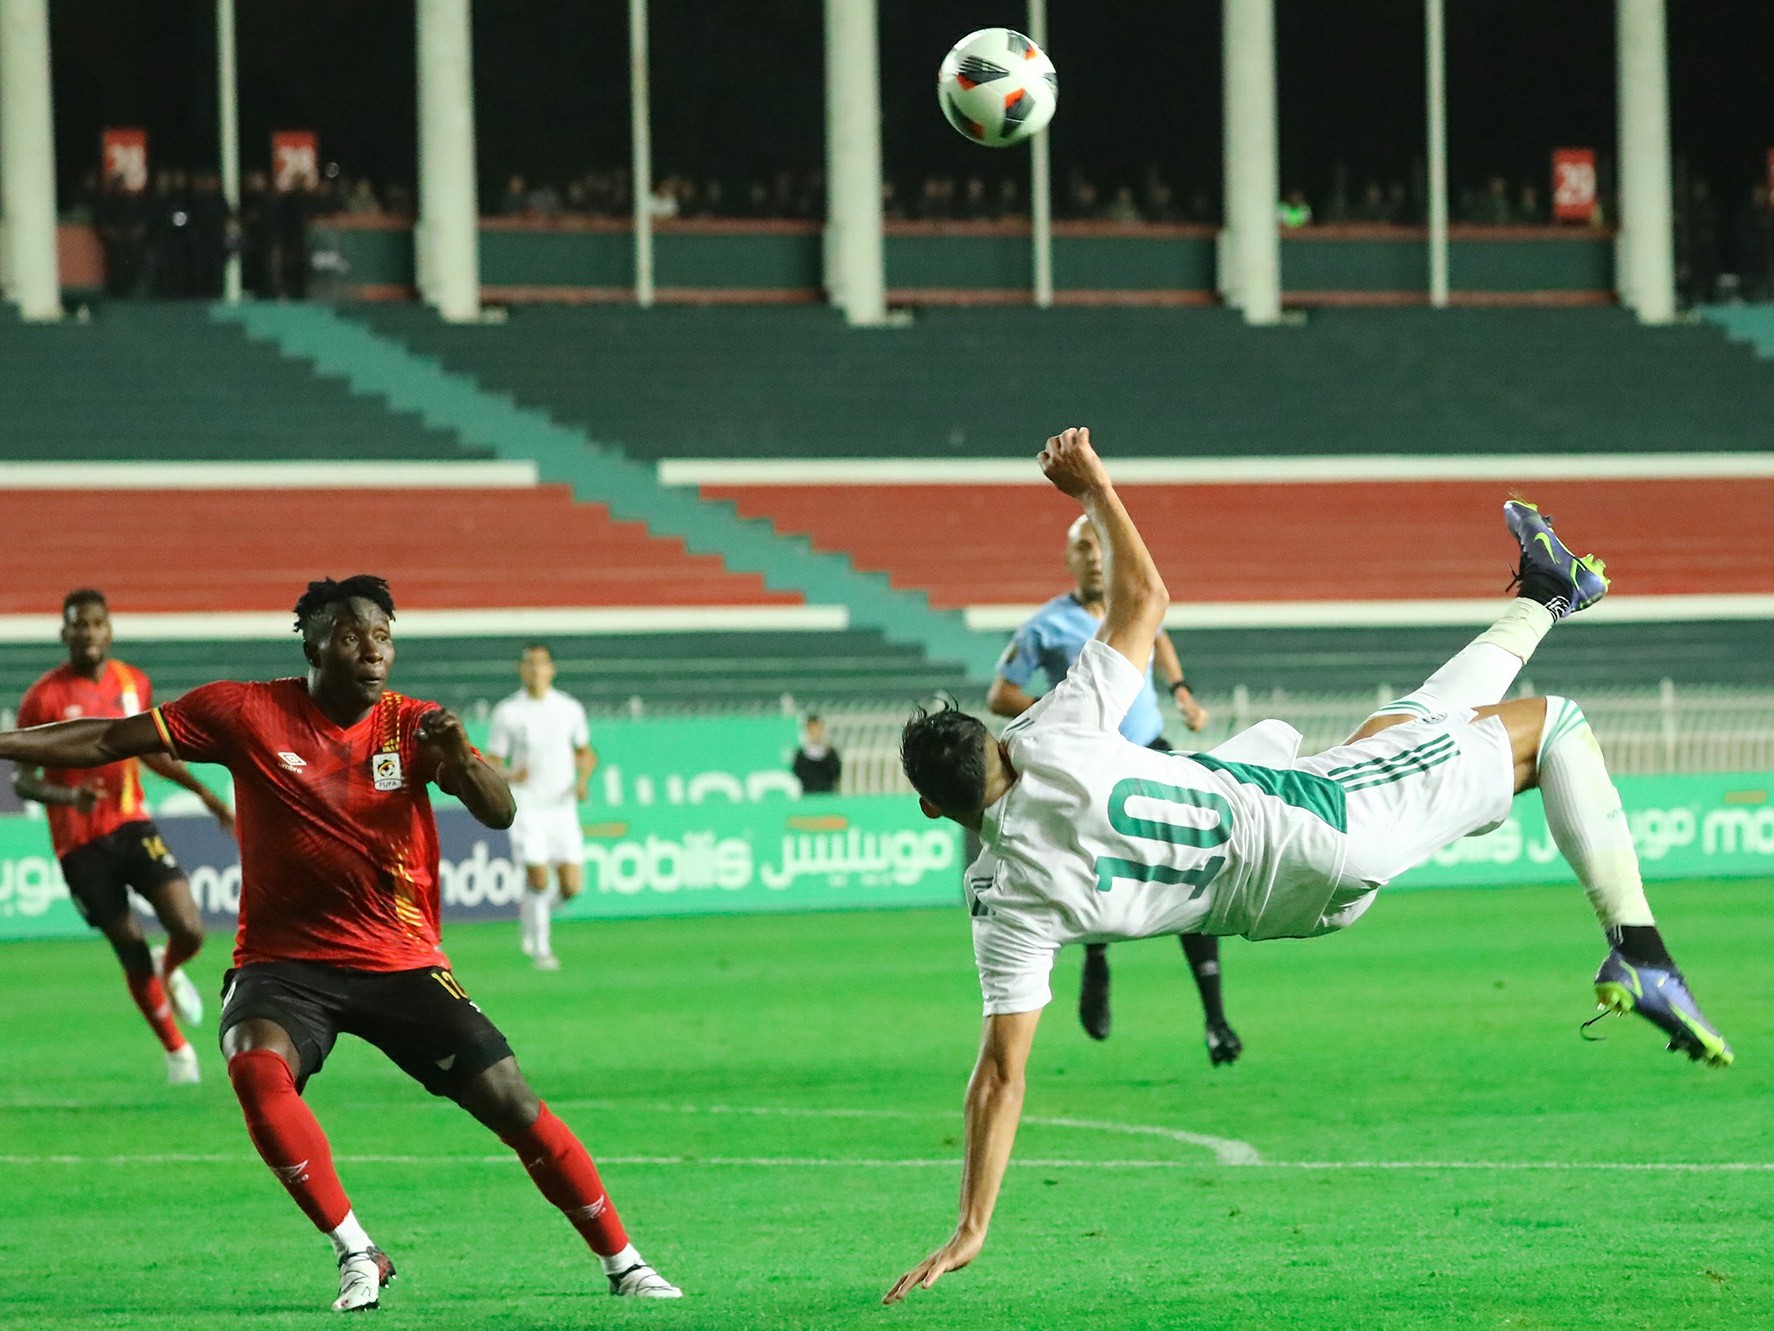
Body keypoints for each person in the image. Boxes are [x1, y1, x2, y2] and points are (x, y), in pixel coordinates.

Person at [883, 429, 1732, 1305]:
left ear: (934, 808)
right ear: (993, 742)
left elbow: (1000, 1074)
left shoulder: (1002, 902)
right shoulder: (1056, 731)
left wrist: (971, 1225)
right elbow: (1146, 595)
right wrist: (1094, 485)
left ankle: (1549, 597)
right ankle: (1641, 950)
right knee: (1553, 724)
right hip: (1317, 826)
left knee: (1395, 730)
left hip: (1286, 895)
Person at [0, 576, 678, 1310]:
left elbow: (499, 812)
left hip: (400, 958)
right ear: (315, 641)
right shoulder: (244, 710)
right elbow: (107, 737)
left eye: (384, 636)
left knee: (512, 1101)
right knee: (255, 1068)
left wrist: (463, 757)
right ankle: (357, 1249)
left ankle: (625, 1262)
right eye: (355, 636)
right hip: (283, 963)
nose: (373, 651)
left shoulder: (413, 724)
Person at [989, 516, 1238, 1065]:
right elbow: (1001, 693)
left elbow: (1159, 633)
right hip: (1095, 769)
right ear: (1070, 559)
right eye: (1084, 547)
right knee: (1097, 870)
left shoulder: (1131, 606)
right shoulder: (1044, 627)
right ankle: (1096, 957)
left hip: (1152, 749)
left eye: (1101, 545)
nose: (1096, 556)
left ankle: (1216, 1016)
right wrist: (1054, 719)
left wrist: (1180, 691)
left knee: (1195, 870)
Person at [13, 589, 234, 1083]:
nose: (86, 632)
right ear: (64, 633)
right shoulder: (42, 698)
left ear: (107, 630)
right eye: (77, 624)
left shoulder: (132, 682)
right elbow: (21, 779)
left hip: (132, 824)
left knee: (190, 928)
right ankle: (178, 1052)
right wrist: (71, 799)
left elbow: (153, 750)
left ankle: (170, 967)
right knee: (129, 945)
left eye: (94, 623)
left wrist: (205, 793)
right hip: (79, 846)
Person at [486, 644, 594, 971]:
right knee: (537, 873)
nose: (535, 670)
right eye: (529, 664)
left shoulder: (569, 709)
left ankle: (534, 912)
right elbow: (492, 761)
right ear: (521, 670)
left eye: (541, 664)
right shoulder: (509, 712)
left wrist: (583, 780)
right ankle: (542, 950)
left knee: (571, 887)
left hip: (561, 807)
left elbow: (586, 752)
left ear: (552, 669)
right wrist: (508, 774)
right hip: (527, 806)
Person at [792, 714, 842, 794]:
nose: (816, 733)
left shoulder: (831, 752)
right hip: (808, 795)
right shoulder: (801, 754)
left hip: (828, 794)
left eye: (818, 729)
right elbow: (798, 773)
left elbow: (836, 772)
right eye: (812, 730)